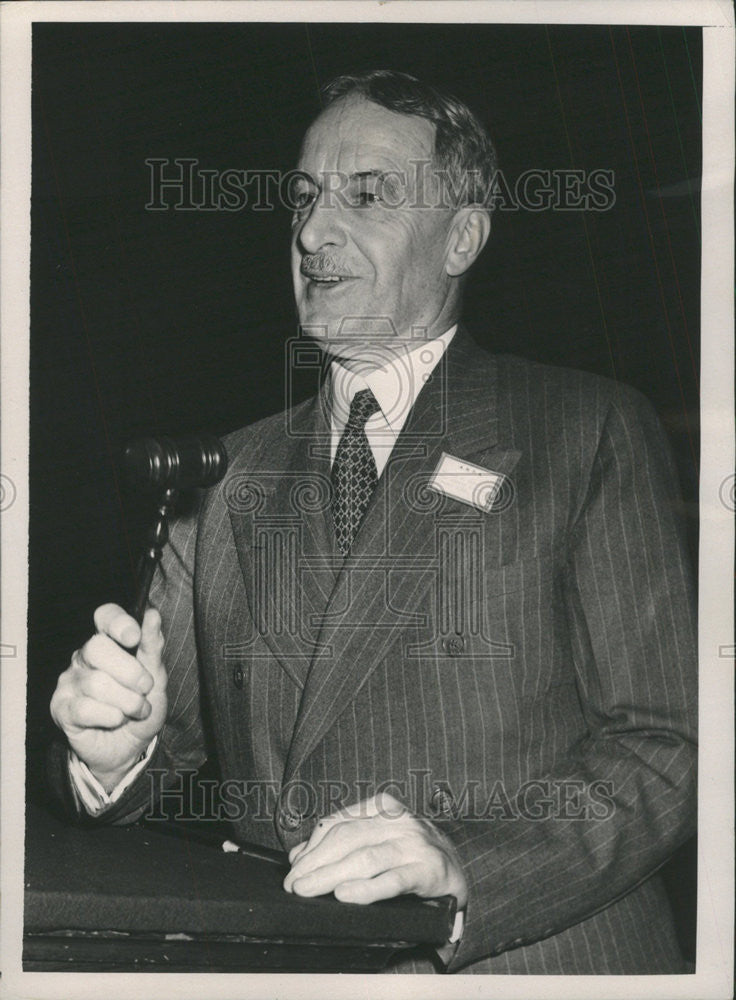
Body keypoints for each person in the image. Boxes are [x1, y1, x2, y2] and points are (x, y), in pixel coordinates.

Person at [49, 70, 697, 974]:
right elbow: (171, 757)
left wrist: (471, 870)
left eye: (370, 195)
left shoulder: (582, 429)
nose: (313, 233)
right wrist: (112, 756)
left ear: (462, 236)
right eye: (304, 199)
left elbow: (669, 742)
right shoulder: (227, 474)